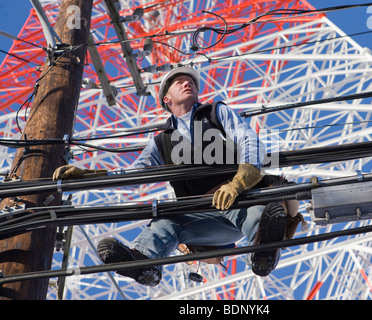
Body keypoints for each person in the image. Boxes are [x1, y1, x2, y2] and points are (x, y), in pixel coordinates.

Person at [53, 67, 299, 287]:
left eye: (190, 81)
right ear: (167, 99)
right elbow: (135, 174)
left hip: (239, 199)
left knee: (255, 210)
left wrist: (238, 183)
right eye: (179, 81)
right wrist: (90, 176)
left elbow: (249, 140)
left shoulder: (215, 112)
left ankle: (262, 253)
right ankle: (144, 262)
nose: (187, 83)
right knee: (166, 220)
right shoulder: (162, 142)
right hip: (203, 215)